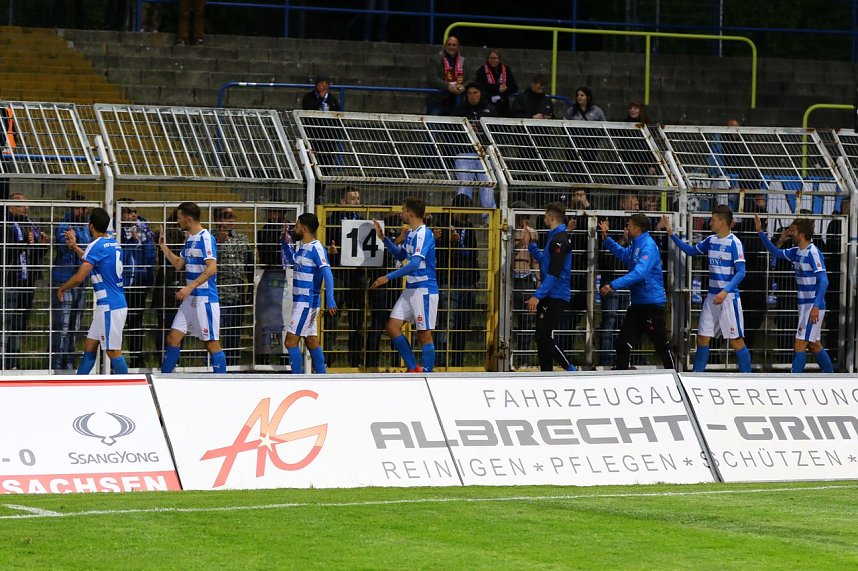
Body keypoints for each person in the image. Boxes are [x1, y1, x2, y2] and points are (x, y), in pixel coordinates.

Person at [663, 206, 752, 373]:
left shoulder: (735, 243)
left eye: (713, 220)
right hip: (712, 298)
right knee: (703, 339)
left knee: (736, 342)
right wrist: (671, 234)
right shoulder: (710, 240)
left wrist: (725, 291)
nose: (710, 222)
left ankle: (749, 379)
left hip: (728, 298)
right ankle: (697, 379)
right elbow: (690, 250)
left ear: (723, 222)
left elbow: (741, 272)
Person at [755, 216, 834, 373]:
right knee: (814, 344)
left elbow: (824, 281)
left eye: (793, 231)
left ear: (802, 235)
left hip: (813, 306)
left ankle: (793, 380)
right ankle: (831, 377)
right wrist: (760, 233)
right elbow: (776, 252)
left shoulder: (813, 253)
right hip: (804, 306)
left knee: (799, 344)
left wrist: (816, 307)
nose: (790, 233)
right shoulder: (796, 251)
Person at [57, 208, 129, 375]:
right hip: (111, 304)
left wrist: (62, 287)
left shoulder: (94, 246)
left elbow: (80, 276)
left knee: (112, 351)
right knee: (90, 345)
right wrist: (75, 247)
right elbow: (94, 261)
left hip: (109, 306)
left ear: (90, 226)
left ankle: (129, 388)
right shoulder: (114, 243)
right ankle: (79, 383)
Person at [599, 214, 675, 370]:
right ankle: (621, 375)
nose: (627, 228)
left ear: (637, 228)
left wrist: (613, 285)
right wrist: (607, 239)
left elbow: (640, 273)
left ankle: (675, 376)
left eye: (629, 225)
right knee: (623, 342)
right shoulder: (636, 244)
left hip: (652, 305)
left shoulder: (647, 245)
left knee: (660, 344)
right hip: (639, 305)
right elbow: (623, 254)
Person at [370, 197, 437, 372]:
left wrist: (388, 277)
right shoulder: (411, 233)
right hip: (411, 289)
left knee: (424, 334)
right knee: (392, 327)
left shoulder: (423, 233)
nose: (401, 212)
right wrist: (383, 238)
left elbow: (414, 264)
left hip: (424, 289)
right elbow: (401, 256)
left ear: (411, 213)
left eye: (403, 209)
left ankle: (428, 374)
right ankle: (414, 367)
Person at [158, 202, 227, 373]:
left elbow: (212, 267)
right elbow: (179, 264)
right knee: (173, 337)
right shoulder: (189, 239)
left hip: (205, 300)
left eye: (179, 217)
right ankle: (165, 380)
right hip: (190, 301)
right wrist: (163, 247)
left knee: (211, 344)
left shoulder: (206, 238)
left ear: (189, 219)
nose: (177, 221)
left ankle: (223, 384)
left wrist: (190, 287)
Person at [280, 213, 337, 374]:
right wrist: (285, 243)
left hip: (306, 302)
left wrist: (330, 299)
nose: (294, 229)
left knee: (290, 342)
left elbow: (327, 272)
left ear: (304, 228)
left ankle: (297, 380)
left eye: (296, 226)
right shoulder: (303, 248)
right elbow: (292, 260)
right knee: (311, 341)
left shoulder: (316, 248)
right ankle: (323, 378)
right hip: (301, 302)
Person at [522, 202, 576, 372]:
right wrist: (530, 245)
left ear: (551, 217)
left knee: (543, 336)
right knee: (540, 337)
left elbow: (554, 273)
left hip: (556, 295)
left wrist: (537, 295)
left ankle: (570, 368)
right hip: (550, 294)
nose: (544, 219)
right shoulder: (555, 237)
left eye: (545, 216)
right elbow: (546, 262)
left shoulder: (559, 239)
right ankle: (546, 374)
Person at [1, 193, 49, 370]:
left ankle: (13, 362)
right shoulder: (5, 224)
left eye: (27, 205)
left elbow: (34, 255)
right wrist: (25, 244)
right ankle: (3, 362)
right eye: (22, 205)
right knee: (6, 321)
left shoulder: (30, 224)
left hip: (27, 281)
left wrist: (40, 246)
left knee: (20, 323)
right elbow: (8, 252)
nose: (26, 208)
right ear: (10, 207)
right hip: (10, 280)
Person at [434, 193, 479, 368]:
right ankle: (439, 361)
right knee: (446, 323)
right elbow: (438, 251)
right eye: (463, 211)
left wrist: (475, 278)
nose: (466, 215)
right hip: (449, 281)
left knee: (462, 323)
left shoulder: (469, 227)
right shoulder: (443, 226)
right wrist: (449, 241)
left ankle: (457, 362)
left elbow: (473, 253)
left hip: (467, 282)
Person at [325, 189, 366, 368]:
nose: (356, 202)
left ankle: (355, 361)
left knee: (357, 320)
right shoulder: (331, 221)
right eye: (352, 199)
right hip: (339, 274)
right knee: (332, 317)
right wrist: (330, 250)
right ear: (342, 201)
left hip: (357, 276)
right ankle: (326, 359)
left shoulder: (365, 220)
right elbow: (325, 244)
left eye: (358, 198)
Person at [51, 198, 91, 370]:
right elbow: (65, 244)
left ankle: (69, 360)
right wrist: (75, 241)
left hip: (80, 282)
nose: (80, 212)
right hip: (64, 279)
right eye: (77, 208)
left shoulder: (85, 228)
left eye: (83, 208)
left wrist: (77, 239)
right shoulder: (62, 225)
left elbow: (88, 247)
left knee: (75, 325)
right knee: (63, 325)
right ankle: (57, 362)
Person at [214, 207, 253, 366]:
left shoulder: (242, 239)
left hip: (236, 294)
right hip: (216, 293)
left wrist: (250, 288)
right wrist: (218, 242)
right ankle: (211, 366)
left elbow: (249, 265)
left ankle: (232, 365)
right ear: (217, 220)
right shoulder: (210, 238)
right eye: (225, 217)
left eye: (232, 217)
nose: (229, 220)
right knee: (213, 334)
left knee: (233, 333)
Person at [119, 203, 155, 368]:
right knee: (117, 323)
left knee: (135, 323)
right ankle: (112, 359)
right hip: (120, 285)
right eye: (128, 212)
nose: (133, 215)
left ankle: (136, 357)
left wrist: (148, 280)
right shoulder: (114, 230)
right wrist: (131, 242)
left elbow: (150, 255)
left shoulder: (143, 229)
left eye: (134, 212)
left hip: (138, 284)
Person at [256, 208, 291, 361]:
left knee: (283, 317)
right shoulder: (264, 231)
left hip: (289, 277)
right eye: (273, 213)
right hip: (272, 275)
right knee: (270, 316)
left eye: (280, 213)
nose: (277, 216)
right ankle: (266, 353)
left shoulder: (292, 231)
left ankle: (281, 353)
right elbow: (266, 254)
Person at [152, 208, 184, 361]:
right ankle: (169, 359)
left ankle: (166, 359)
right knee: (169, 326)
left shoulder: (182, 236)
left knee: (168, 326)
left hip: (172, 283)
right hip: (168, 283)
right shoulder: (170, 235)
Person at [426, 35, 466, 116]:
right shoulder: (435, 59)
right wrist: (448, 87)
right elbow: (432, 78)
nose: (451, 47)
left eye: (454, 45)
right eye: (449, 44)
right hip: (437, 101)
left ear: (458, 47)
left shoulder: (463, 61)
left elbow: (470, 78)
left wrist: (463, 86)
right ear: (445, 46)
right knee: (433, 126)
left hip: (457, 101)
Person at [475, 50, 518, 117]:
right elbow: (480, 86)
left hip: (503, 102)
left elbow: (514, 87)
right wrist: (497, 88)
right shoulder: (482, 70)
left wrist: (506, 88)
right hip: (487, 101)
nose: (492, 60)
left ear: (499, 59)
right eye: (490, 58)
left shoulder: (506, 69)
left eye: (495, 58)